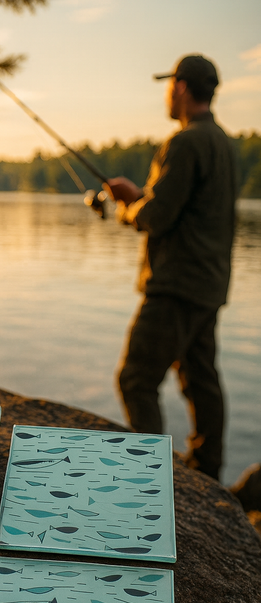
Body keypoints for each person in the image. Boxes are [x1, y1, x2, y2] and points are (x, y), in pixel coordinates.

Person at [107, 54, 236, 481]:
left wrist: (128, 208)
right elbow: (185, 205)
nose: (167, 94)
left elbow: (157, 216)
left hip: (176, 285)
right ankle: (208, 473)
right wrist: (139, 194)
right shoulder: (222, 142)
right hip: (209, 284)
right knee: (201, 380)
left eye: (169, 85)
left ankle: (150, 479)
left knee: (136, 379)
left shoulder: (184, 142)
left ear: (180, 87)